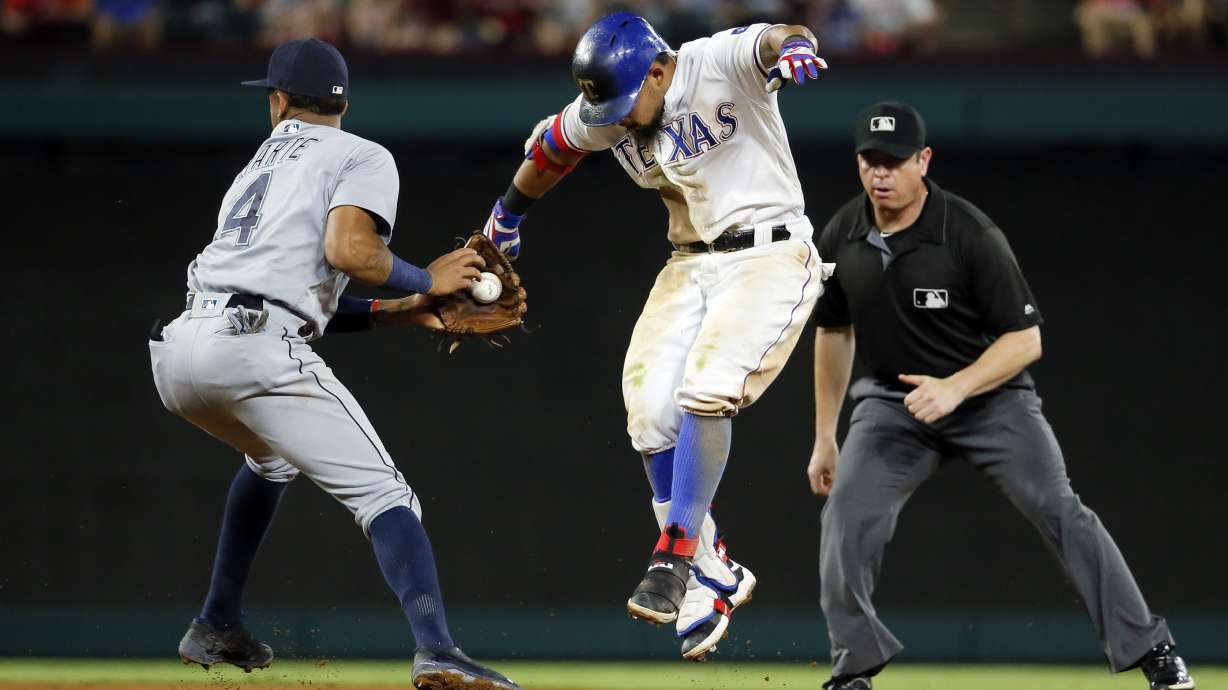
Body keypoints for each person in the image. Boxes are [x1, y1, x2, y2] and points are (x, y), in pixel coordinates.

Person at [148, 38, 519, 690]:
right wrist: (428, 281)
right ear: (341, 103)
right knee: (387, 496)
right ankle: (437, 650)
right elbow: (351, 251)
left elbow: (295, 290)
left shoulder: (257, 168)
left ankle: (217, 621)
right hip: (249, 348)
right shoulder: (361, 153)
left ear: (279, 100)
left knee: (271, 458)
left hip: (180, 352)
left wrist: (400, 309)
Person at [478, 12, 833, 660]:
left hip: (771, 253)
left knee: (707, 388)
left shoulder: (713, 62)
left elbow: (778, 34)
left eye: (624, 98)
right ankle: (712, 574)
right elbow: (554, 147)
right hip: (689, 263)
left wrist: (799, 49)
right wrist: (507, 214)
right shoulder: (610, 105)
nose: (615, 115)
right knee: (647, 413)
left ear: (661, 69)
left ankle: (675, 558)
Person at [806, 101, 1194, 690]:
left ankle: (1154, 650)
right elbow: (834, 331)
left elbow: (1026, 339)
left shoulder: (968, 232)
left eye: (894, 161)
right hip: (894, 405)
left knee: (1059, 508)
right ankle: (853, 668)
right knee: (845, 519)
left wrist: (956, 387)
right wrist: (824, 436)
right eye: (869, 160)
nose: (880, 173)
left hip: (990, 396)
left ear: (924, 160)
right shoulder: (843, 232)